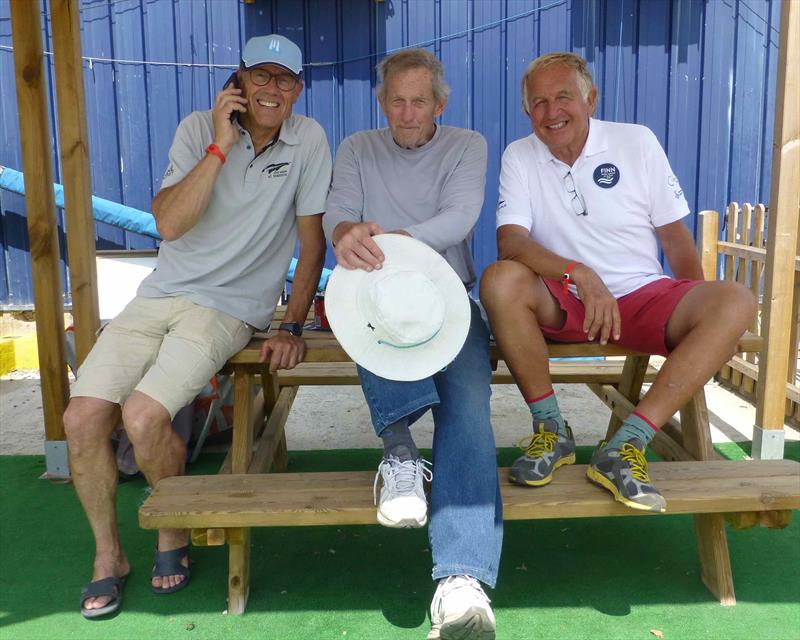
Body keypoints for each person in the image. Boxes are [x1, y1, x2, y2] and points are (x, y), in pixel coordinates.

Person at [64, 34, 332, 618]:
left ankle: (172, 531)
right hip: (158, 294)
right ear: (237, 81)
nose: (271, 90)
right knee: (80, 417)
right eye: (260, 76)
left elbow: (312, 245)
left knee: (142, 415)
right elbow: (170, 225)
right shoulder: (197, 130)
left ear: (298, 90)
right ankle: (108, 555)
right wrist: (218, 145)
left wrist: (291, 324)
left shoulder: (309, 139)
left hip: (230, 308)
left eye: (284, 80)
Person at [480, 52, 756, 512]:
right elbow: (511, 242)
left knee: (737, 300)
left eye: (563, 96)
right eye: (539, 102)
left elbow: (676, 239)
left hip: (644, 295)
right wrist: (580, 274)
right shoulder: (519, 154)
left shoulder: (636, 142)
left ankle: (627, 445)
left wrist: (706, 325)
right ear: (527, 111)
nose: (552, 112)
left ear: (591, 98)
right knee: (499, 279)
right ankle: (551, 431)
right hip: (564, 299)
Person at [323, 49, 501, 640]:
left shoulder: (467, 144)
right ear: (382, 101)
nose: (406, 112)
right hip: (373, 295)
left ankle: (462, 580)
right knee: (370, 319)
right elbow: (341, 218)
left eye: (418, 100)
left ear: (439, 104)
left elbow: (459, 219)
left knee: (470, 403)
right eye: (395, 100)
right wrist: (347, 234)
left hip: (452, 297)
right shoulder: (356, 147)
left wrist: (394, 245)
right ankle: (400, 455)